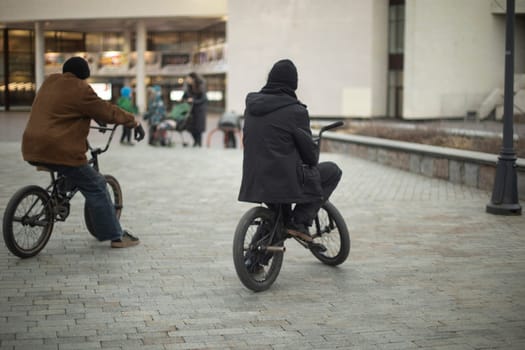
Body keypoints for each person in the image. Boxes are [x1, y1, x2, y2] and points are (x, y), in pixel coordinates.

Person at [21, 56, 144, 248]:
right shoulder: (80, 89)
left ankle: (57, 198)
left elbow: (67, 109)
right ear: (84, 75)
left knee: (68, 171)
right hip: (59, 150)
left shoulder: (49, 83)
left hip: (32, 146)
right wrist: (133, 122)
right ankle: (116, 236)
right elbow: (106, 110)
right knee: (97, 186)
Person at [238, 59, 342, 249]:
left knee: (279, 219)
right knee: (332, 171)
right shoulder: (296, 111)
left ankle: (252, 262)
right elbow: (310, 157)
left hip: (255, 179)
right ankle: (300, 222)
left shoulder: (252, 106)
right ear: (293, 84)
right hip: (284, 181)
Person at [182, 72, 208, 147]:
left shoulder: (201, 86)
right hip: (191, 111)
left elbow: (204, 99)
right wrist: (186, 100)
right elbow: (184, 96)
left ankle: (199, 143)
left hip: (199, 110)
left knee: (198, 129)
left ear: (193, 79)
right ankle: (195, 141)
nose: (187, 79)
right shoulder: (188, 87)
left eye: (188, 78)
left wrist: (193, 101)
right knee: (190, 127)